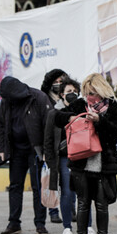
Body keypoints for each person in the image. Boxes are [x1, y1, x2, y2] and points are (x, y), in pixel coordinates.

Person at [54, 73, 117, 234]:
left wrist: (100, 121)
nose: (90, 97)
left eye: (93, 93)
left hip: (103, 166)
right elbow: (56, 117)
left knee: (102, 206)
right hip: (81, 164)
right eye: (87, 93)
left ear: (102, 91)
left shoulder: (115, 108)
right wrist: (72, 117)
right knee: (83, 205)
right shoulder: (79, 105)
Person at [0, 76, 52, 234]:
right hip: (16, 150)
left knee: (38, 187)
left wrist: (47, 151)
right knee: (15, 186)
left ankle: (40, 223)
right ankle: (14, 223)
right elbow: (0, 125)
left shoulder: (39, 97)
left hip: (36, 150)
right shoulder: (6, 101)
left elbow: (48, 125)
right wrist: (1, 149)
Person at [44, 78, 97, 234]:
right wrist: (50, 161)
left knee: (84, 192)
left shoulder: (84, 110)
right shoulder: (54, 113)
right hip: (64, 158)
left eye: (74, 91)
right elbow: (48, 139)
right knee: (66, 193)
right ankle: (67, 228)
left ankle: (88, 227)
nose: (72, 94)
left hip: (82, 156)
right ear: (61, 95)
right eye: (68, 92)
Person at [41, 68, 69, 224]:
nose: (58, 85)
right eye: (55, 82)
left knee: (67, 182)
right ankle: (53, 211)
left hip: (65, 146)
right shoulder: (45, 100)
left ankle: (69, 210)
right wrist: (45, 150)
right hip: (52, 145)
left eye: (61, 82)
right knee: (52, 179)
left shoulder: (67, 100)